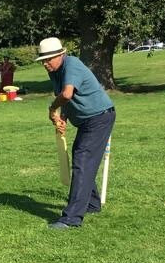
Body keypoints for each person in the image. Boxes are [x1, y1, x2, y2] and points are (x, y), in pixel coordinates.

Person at [39, 37, 115, 229]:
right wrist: (63, 117)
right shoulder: (55, 71)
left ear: (61, 55)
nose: (45, 64)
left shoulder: (71, 64)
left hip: (99, 117)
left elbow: (66, 94)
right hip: (87, 120)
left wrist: (51, 110)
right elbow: (67, 98)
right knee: (81, 159)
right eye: (43, 60)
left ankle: (71, 219)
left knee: (82, 161)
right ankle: (91, 203)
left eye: (49, 59)